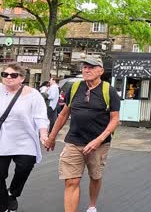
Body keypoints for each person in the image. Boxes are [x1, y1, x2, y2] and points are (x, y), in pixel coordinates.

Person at [45, 56, 121, 212]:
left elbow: (115, 119)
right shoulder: (74, 88)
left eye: (92, 67)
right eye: (85, 67)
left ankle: (92, 205)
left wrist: (98, 140)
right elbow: (63, 114)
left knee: (95, 176)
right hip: (74, 141)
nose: (87, 70)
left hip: (99, 144)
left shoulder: (109, 91)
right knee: (71, 181)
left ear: (101, 70)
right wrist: (52, 137)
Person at [0, 63, 49, 212]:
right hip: (2, 139)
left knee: (25, 167)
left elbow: (41, 117)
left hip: (25, 140)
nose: (8, 77)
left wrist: (43, 134)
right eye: (5, 74)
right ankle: (3, 204)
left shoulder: (33, 94)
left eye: (13, 75)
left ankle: (12, 193)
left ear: (22, 78)